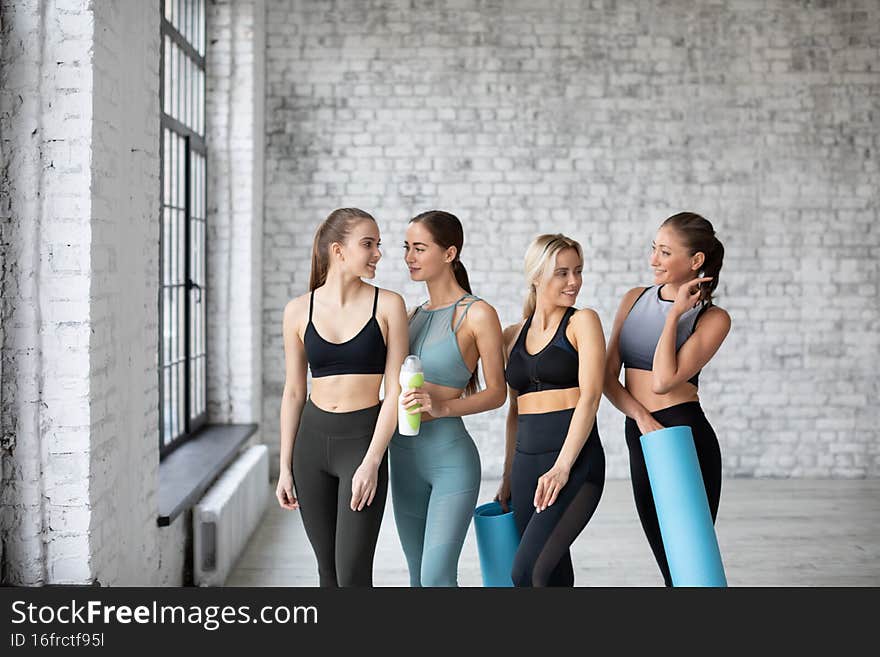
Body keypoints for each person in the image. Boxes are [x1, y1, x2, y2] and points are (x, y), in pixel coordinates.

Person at [275, 208, 408, 587]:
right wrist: (285, 466)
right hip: (311, 445)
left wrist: (372, 461)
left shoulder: (388, 305)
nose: (378, 253)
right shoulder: (298, 310)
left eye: (378, 245)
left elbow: (394, 390)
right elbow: (295, 391)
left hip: (363, 441)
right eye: (369, 244)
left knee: (352, 574)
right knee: (328, 574)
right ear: (338, 250)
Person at [604, 211, 731, 586]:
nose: (652, 260)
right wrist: (640, 418)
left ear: (695, 262)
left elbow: (663, 380)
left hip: (682, 434)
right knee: (665, 559)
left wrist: (675, 314)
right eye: (654, 249)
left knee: (691, 562)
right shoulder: (633, 299)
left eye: (664, 252)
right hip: (640, 431)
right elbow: (608, 379)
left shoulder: (713, 318)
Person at [392, 210, 507, 587]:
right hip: (402, 458)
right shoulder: (409, 315)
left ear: (449, 253)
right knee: (416, 579)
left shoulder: (477, 314)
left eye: (420, 248)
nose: (410, 256)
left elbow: (496, 392)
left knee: (436, 577)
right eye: (407, 247)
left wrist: (441, 407)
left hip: (450, 461)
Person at [495, 234, 606, 587]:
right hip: (527, 467)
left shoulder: (581, 322)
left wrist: (562, 467)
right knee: (552, 575)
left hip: (574, 462)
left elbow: (590, 398)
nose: (574, 282)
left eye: (578, 271)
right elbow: (514, 411)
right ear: (536, 276)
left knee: (528, 573)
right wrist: (508, 473)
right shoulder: (512, 335)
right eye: (562, 273)